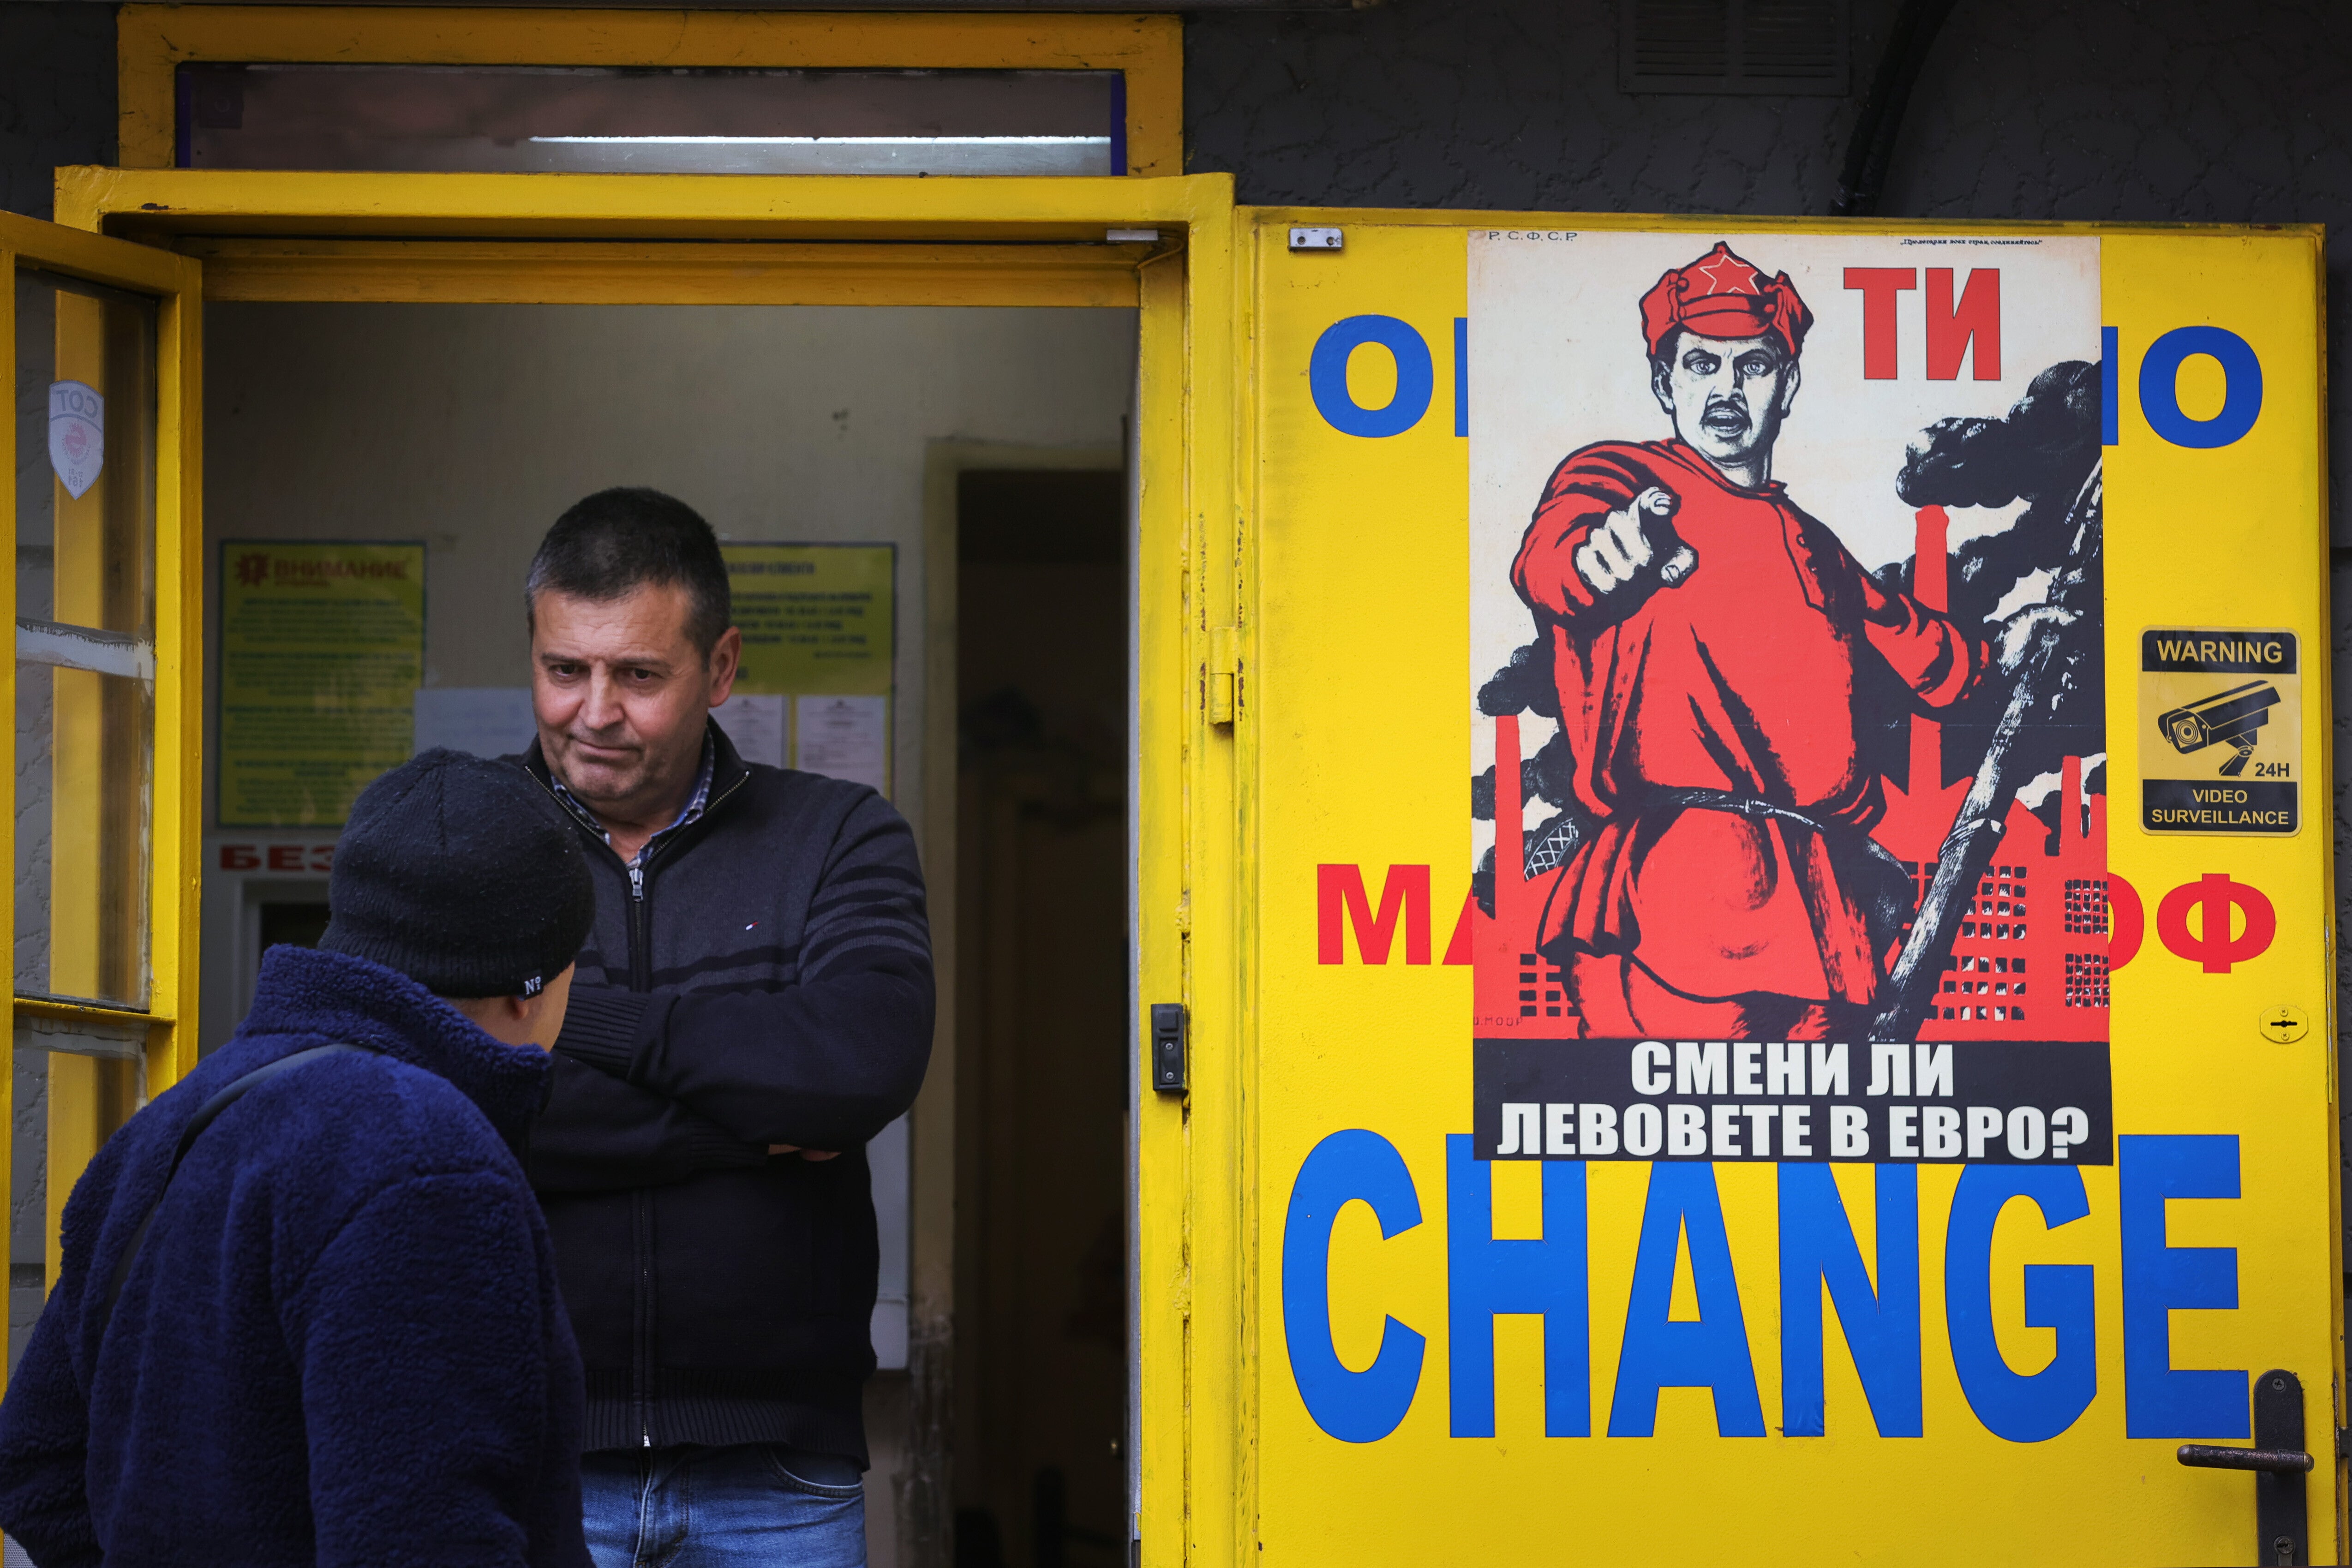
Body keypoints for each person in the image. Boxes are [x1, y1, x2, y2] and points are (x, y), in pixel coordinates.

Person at [0, 750, 598, 1567]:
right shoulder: (426, 1158)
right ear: (532, 983)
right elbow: (426, 1541)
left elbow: (36, 1467)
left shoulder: (173, 1122)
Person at [515, 488, 933, 1568]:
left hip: (779, 1476)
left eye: (638, 676)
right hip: (521, 1453)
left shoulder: (839, 836)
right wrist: (746, 1124)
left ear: (722, 667)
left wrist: (568, 1020)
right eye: (566, 669)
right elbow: (417, 1088)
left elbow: (857, 1067)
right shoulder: (455, 841)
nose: (593, 711)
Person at [1511, 242, 2057, 1039]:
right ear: (1665, 383)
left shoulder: (1815, 544)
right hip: (1681, 886)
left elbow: (1935, 661)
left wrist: (2021, 639)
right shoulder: (1619, 477)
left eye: (1752, 366)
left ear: (1788, 384)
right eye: (1700, 365)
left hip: (1822, 899)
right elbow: (1554, 560)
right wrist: (1609, 550)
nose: (1725, 389)